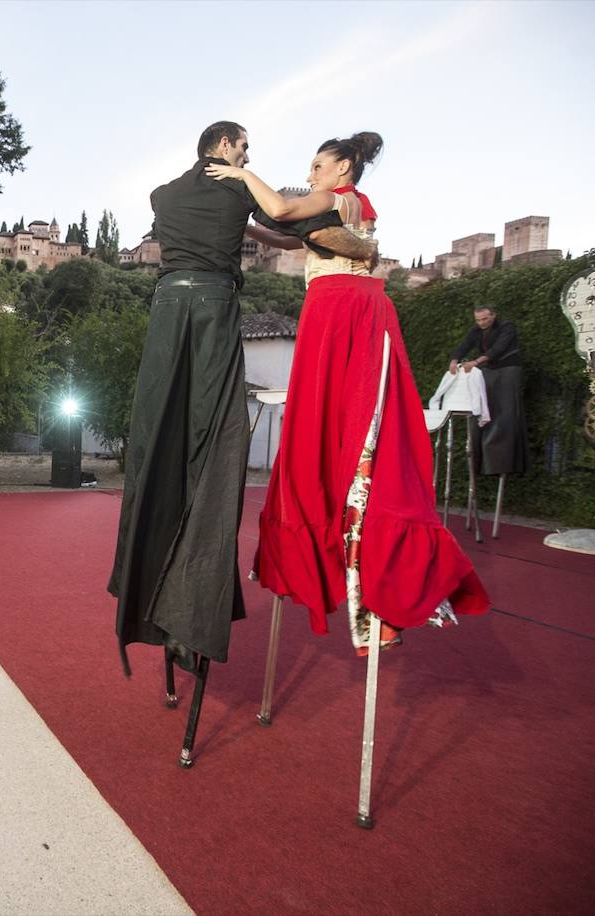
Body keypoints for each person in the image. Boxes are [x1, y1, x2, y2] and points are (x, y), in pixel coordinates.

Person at [108, 120, 377, 675]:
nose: (248, 154)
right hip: (213, 307)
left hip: (165, 311)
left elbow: (273, 233)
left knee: (158, 439)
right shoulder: (240, 183)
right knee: (214, 442)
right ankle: (190, 608)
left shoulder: (163, 194)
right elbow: (277, 217)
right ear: (226, 145)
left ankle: (150, 593)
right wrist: (253, 184)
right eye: (244, 146)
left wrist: (307, 237)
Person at [208, 130, 489, 651]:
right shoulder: (343, 210)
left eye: (319, 164)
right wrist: (243, 226)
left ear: (343, 169)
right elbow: (293, 239)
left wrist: (241, 174)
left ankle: (372, 579)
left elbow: (284, 212)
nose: (311, 172)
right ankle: (354, 581)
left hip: (344, 311)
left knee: (346, 426)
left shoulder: (339, 198)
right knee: (329, 424)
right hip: (337, 308)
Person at [450, 305, 528, 477]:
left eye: (485, 319)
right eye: (478, 320)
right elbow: (465, 345)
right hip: (488, 371)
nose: (482, 323)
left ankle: (503, 458)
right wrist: (454, 360)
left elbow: (498, 348)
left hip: (507, 369)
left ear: (493, 315)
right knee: (484, 408)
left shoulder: (506, 327)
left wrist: (477, 362)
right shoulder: (477, 330)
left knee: (505, 410)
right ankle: (482, 459)